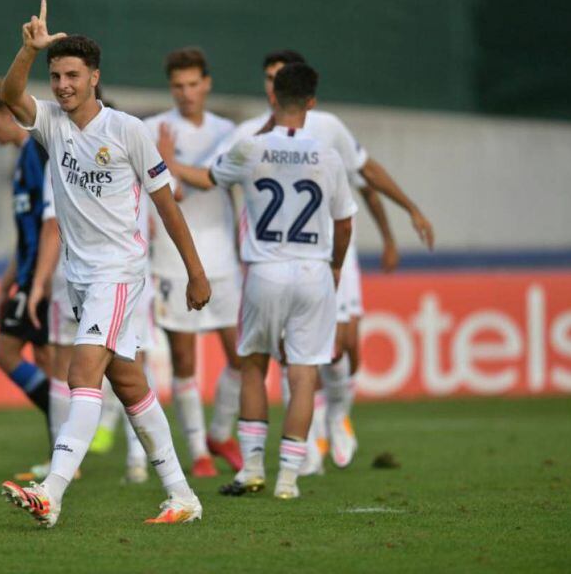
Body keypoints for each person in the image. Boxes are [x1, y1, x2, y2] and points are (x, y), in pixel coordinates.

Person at [0, 0, 210, 527]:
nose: (63, 84)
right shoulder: (50, 123)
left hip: (119, 272)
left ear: (95, 77)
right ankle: (182, 495)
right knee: (130, 384)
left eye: (72, 74)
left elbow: (166, 203)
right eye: (56, 75)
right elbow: (9, 96)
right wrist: (28, 51)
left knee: (80, 369)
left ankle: (52, 491)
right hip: (81, 275)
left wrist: (195, 271)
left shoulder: (127, 131)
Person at [171, 49, 435, 470]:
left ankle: (335, 416)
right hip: (296, 259)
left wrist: (404, 214)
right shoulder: (248, 133)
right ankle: (305, 445)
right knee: (301, 356)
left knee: (339, 345)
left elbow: (366, 176)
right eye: (269, 77)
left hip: (326, 252)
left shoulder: (327, 129)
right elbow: (207, 173)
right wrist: (172, 164)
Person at [175, 62, 357, 499]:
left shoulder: (251, 149)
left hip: (264, 272)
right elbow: (345, 222)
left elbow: (208, 179)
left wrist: (170, 163)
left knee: (254, 365)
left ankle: (252, 468)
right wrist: (335, 265)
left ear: (272, 98)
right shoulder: (327, 156)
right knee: (304, 373)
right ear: (311, 103)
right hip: (313, 271)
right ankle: (289, 479)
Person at [143, 47, 244, 477]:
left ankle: (221, 431)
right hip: (172, 260)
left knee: (243, 355)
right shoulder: (151, 129)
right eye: (177, 86)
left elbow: (212, 181)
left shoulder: (229, 132)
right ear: (171, 88)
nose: (185, 93)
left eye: (192, 84)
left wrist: (172, 161)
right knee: (184, 362)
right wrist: (168, 165)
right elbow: (174, 196)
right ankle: (200, 451)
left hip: (222, 257)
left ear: (207, 83)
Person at [0, 80, 54, 471]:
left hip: (47, 278)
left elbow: (51, 225)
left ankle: (68, 447)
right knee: (43, 357)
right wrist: (7, 285)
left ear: (9, 114)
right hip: (31, 276)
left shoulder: (37, 154)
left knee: (8, 352)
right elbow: (25, 235)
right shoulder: (23, 160)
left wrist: (40, 280)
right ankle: (65, 447)